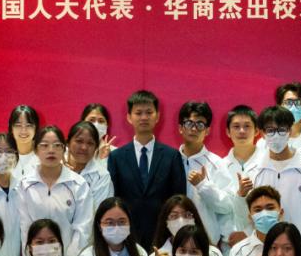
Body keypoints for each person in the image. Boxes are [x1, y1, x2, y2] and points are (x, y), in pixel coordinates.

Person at [238, 106, 301, 256]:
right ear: (261, 133)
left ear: (290, 131)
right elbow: (247, 219)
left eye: (282, 130)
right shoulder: (252, 172)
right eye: (270, 130)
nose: (276, 136)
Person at [107, 90, 187, 246]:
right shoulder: (116, 157)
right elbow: (113, 198)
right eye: (138, 113)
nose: (144, 117)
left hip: (163, 234)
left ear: (157, 116)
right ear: (129, 117)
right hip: (126, 235)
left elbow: (178, 199)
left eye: (149, 112)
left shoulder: (171, 156)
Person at [17, 125, 92, 256]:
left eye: (57, 145)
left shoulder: (78, 184)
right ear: (35, 150)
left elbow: (83, 228)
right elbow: (25, 227)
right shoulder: (25, 185)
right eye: (44, 145)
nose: (51, 150)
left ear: (64, 149)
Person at [176, 101, 236, 248]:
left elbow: (228, 206)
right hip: (173, 240)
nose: (194, 129)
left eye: (200, 124)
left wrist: (203, 186)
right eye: (189, 123)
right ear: (180, 128)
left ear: (207, 130)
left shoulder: (216, 163)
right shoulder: (169, 160)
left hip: (206, 243)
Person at [221, 105, 262, 241]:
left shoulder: (267, 163)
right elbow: (219, 209)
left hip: (261, 238)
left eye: (247, 126)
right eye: (236, 126)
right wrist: (229, 236)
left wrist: (247, 233)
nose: (242, 131)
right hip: (229, 241)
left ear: (257, 131)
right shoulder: (220, 165)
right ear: (228, 132)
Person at [64, 121, 113, 214]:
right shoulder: (55, 168)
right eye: (79, 141)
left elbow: (100, 213)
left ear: (96, 148)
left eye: (90, 143)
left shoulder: (102, 176)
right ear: (68, 143)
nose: (84, 147)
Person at [9, 105, 41, 179]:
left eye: (29, 125)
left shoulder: (45, 154)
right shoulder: (4, 156)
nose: (23, 130)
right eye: (18, 125)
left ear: (36, 128)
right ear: (11, 128)